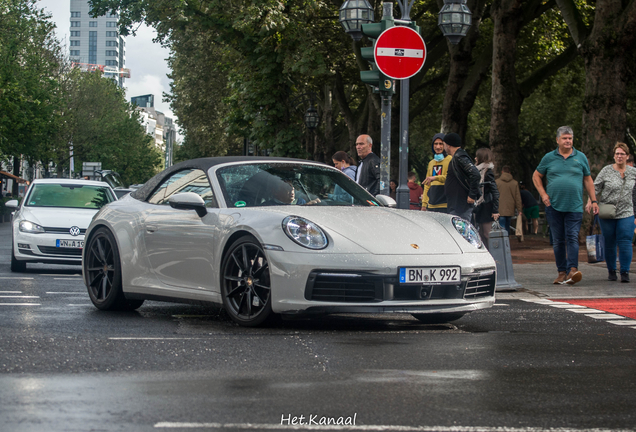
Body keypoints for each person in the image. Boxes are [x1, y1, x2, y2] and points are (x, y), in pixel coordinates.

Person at [532, 126, 599, 285]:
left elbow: (588, 179)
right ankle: (561, 272)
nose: (568, 141)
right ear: (557, 140)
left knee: (572, 238)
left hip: (574, 206)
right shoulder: (549, 158)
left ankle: (573, 270)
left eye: (570, 138)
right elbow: (536, 175)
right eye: (564, 138)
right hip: (553, 206)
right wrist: (543, 194)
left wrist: (594, 200)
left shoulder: (580, 157)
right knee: (558, 240)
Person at [585, 142, 636, 282]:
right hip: (607, 211)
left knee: (625, 240)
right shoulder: (607, 170)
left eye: (622, 154)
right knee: (610, 241)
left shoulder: (633, 172)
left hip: (627, 211)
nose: (619, 156)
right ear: (614, 156)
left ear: (627, 156)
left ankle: (625, 271)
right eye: (617, 154)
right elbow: (595, 187)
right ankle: (611, 270)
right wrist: (591, 201)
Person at [443, 133, 481, 221]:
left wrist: (472, 195)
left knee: (461, 231)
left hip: (460, 204)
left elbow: (475, 174)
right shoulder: (456, 157)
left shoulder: (460, 157)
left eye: (444, 144)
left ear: (448, 145)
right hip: (456, 203)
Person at [473, 148, 500, 244]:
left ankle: (493, 255)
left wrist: (495, 210)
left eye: (477, 156)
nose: (475, 158)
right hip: (482, 206)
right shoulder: (480, 171)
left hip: (487, 207)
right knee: (481, 234)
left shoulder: (487, 172)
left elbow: (495, 191)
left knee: (487, 234)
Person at [422, 133, 451, 212]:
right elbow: (427, 184)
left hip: (445, 204)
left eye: (441, 144)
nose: (438, 147)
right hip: (431, 204)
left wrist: (435, 177)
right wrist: (424, 204)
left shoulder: (450, 160)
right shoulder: (431, 163)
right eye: (436, 143)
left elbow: (450, 178)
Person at [496, 166, 523, 234]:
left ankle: (502, 241)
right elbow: (517, 198)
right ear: (510, 173)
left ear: (502, 172)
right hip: (510, 208)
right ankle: (506, 240)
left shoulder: (497, 182)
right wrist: (519, 210)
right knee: (507, 226)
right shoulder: (515, 183)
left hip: (500, 208)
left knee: (501, 226)